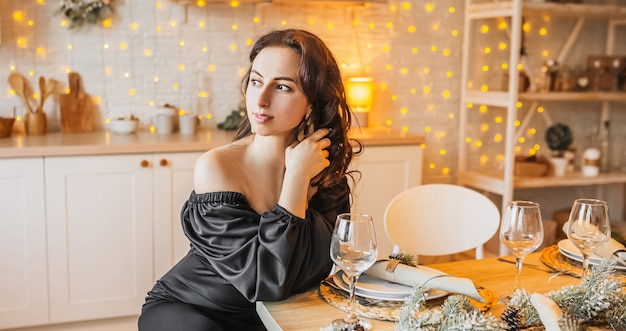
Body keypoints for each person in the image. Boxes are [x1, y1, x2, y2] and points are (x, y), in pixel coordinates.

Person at [138, 28, 361, 330]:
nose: (262, 99)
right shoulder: (218, 166)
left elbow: (322, 269)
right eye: (256, 81)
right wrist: (295, 178)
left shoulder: (323, 171)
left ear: (312, 102)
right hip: (193, 311)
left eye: (282, 87)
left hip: (272, 318)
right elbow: (268, 281)